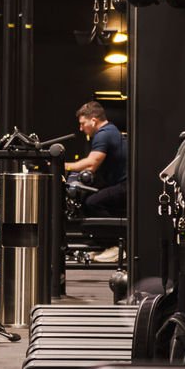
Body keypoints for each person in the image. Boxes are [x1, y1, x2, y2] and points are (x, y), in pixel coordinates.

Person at [63, 101, 128, 263]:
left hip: (125, 186)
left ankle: (115, 246)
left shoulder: (104, 134)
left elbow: (92, 164)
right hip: (121, 184)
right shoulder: (109, 131)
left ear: (93, 120)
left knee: (93, 203)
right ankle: (105, 245)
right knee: (88, 200)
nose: (80, 128)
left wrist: (64, 166)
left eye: (82, 123)